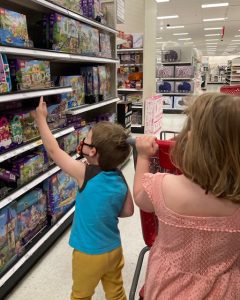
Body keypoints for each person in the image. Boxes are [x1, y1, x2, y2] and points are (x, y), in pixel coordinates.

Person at [133, 93, 240, 299]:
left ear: (189, 141)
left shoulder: (164, 185)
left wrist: (144, 156)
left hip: (167, 288)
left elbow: (139, 197)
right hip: (224, 290)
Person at [32, 97, 134, 300]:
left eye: (86, 140)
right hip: (114, 248)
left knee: (81, 295)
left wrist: (41, 119)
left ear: (92, 151)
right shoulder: (119, 176)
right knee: (116, 292)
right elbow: (128, 211)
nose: (83, 143)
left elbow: (53, 150)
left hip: (88, 252)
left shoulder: (84, 173)